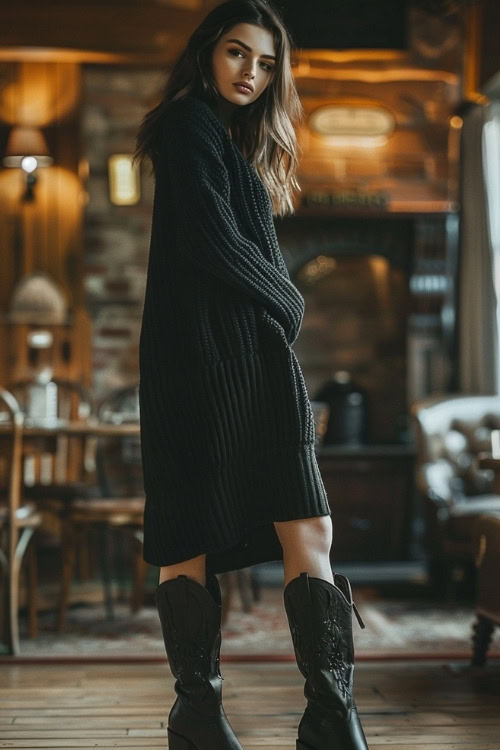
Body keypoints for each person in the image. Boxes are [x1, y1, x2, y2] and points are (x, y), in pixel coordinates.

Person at [133, 1, 369, 748]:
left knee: (309, 525)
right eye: (238, 54)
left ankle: (330, 714)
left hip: (245, 361)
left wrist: (275, 316)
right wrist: (290, 299)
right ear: (208, 52)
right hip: (200, 365)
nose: (251, 73)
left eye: (266, 64)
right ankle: (198, 714)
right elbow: (206, 242)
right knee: (189, 532)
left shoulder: (225, 137)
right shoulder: (186, 124)